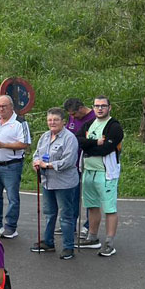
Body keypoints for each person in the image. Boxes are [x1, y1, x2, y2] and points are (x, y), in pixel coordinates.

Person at [76, 96, 124, 257]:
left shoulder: (114, 126)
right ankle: (92, 237)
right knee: (92, 206)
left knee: (109, 208)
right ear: (93, 107)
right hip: (88, 171)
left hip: (106, 173)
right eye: (97, 106)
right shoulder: (88, 124)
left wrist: (89, 145)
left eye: (103, 106)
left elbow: (107, 149)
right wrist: (96, 143)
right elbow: (79, 141)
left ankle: (109, 243)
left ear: (109, 107)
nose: (100, 108)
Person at [31, 108, 80, 259]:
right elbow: (37, 154)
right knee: (49, 213)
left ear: (63, 121)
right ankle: (48, 242)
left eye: (55, 120)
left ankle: (68, 247)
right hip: (47, 182)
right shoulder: (45, 136)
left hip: (64, 183)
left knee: (66, 215)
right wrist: (36, 163)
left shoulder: (69, 138)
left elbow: (69, 161)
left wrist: (47, 165)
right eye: (50, 120)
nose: (52, 123)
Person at [0, 95, 31, 239]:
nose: (1, 109)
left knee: (12, 197)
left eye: (4, 106)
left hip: (12, 165)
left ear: (11, 106)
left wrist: (4, 145)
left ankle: (11, 227)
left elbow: (25, 144)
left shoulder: (20, 122)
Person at [64, 97, 96, 238]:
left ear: (82, 108)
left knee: (89, 196)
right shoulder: (72, 118)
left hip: (89, 163)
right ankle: (71, 224)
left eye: (74, 114)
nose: (72, 117)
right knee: (73, 196)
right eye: (70, 115)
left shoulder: (94, 117)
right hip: (73, 164)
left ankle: (88, 226)